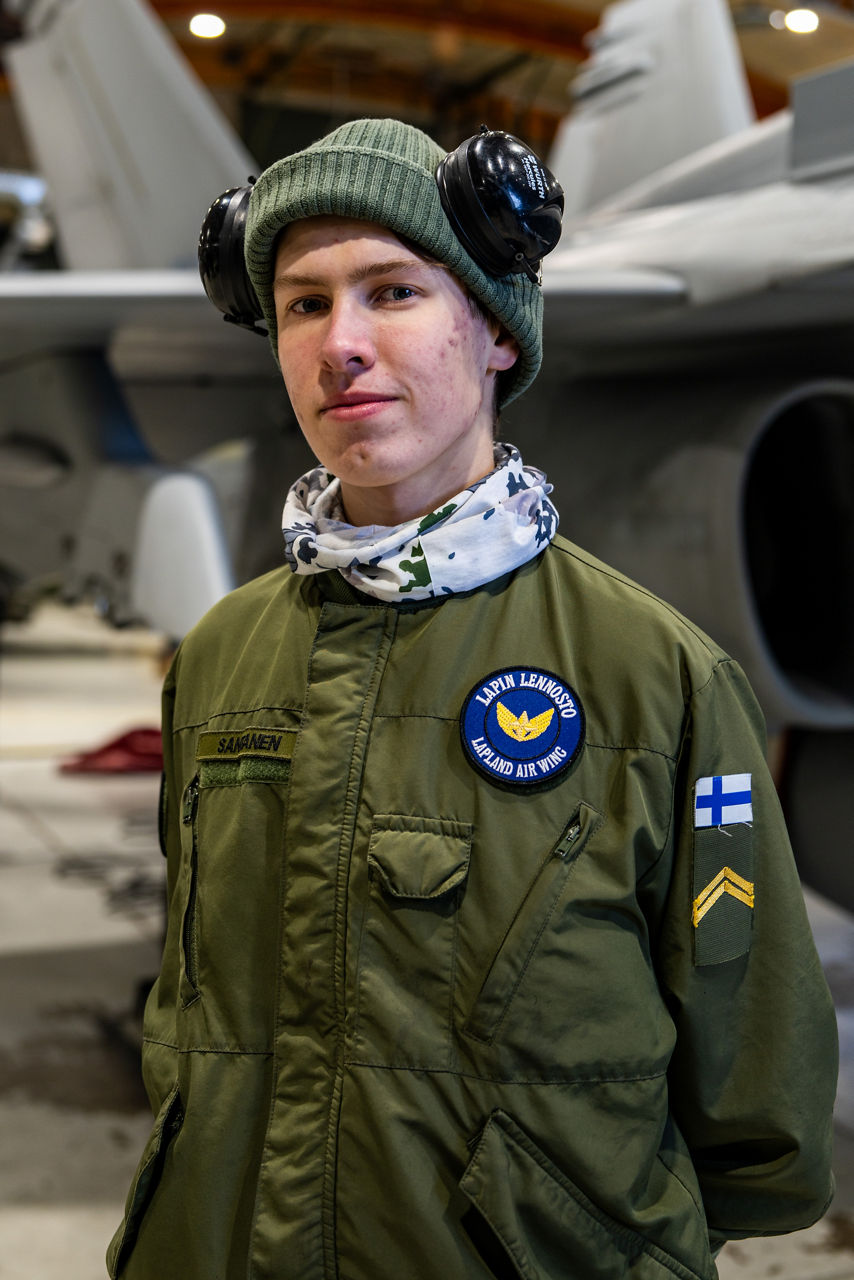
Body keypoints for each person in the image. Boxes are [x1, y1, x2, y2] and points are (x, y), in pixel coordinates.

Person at [108, 118, 837, 1280]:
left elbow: (757, 1103)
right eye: (302, 304)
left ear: (495, 328)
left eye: (391, 290)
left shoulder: (654, 674)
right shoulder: (222, 656)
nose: (339, 343)